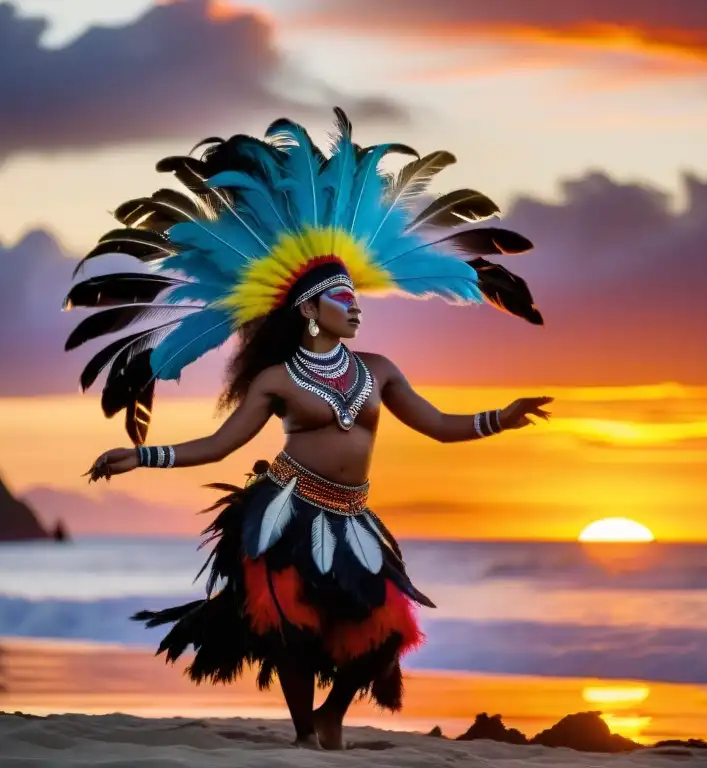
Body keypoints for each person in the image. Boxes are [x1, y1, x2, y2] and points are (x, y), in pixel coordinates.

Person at [65, 108, 552, 750]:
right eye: (342, 298)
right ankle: (304, 734)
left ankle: (332, 714)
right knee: (290, 627)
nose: (355, 307)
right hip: (285, 509)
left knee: (388, 629)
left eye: (356, 297)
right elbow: (220, 444)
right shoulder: (275, 380)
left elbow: (436, 425)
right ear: (309, 310)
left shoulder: (378, 369)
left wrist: (501, 419)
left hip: (355, 516)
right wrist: (142, 457)